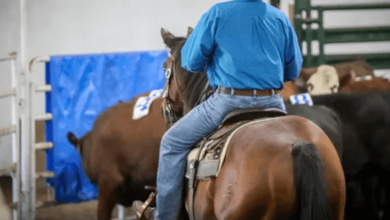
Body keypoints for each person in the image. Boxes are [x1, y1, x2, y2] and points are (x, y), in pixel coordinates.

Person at [133, 0, 302, 219]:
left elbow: (191, 62)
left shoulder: (218, 13)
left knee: (171, 142)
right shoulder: (280, 18)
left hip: (229, 102)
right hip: (273, 102)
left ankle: (164, 215)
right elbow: (293, 69)